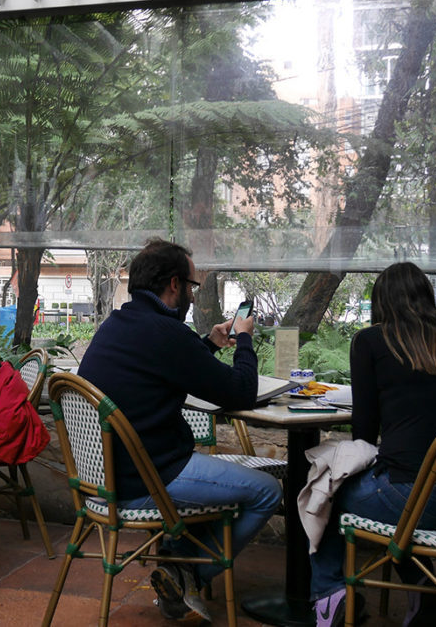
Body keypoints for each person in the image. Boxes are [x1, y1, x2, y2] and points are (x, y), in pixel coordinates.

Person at [77, 238, 282, 624]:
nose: (191, 293)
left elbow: (169, 363)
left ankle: (177, 559)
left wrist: (208, 344)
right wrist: (245, 339)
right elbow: (241, 392)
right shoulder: (167, 333)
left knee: (220, 478)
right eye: (192, 285)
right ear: (174, 284)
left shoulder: (118, 324)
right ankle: (186, 572)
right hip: (148, 482)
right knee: (267, 491)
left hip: (103, 481)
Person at [309, 262, 436, 627]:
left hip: (410, 500)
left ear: (381, 302)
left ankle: (328, 596)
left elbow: (364, 434)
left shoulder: (370, 341)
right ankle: (423, 588)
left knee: (327, 489)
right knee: (390, 491)